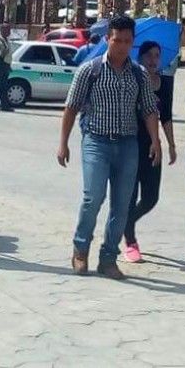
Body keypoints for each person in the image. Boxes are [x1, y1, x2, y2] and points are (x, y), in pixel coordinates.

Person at [58, 15, 161, 280]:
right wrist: (63, 143)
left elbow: (150, 110)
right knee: (93, 197)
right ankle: (81, 250)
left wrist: (156, 141)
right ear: (108, 39)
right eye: (117, 40)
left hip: (128, 144)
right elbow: (71, 107)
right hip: (96, 142)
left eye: (127, 41)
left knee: (122, 204)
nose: (122, 46)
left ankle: (108, 258)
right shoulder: (90, 70)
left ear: (132, 42)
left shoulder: (138, 74)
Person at [123, 41, 177, 263]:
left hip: (154, 147)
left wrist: (171, 145)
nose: (154, 60)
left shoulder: (166, 83)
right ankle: (130, 241)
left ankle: (126, 222)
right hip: (131, 145)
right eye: (149, 56)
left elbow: (167, 116)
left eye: (157, 55)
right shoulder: (133, 80)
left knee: (151, 197)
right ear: (141, 58)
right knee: (130, 195)